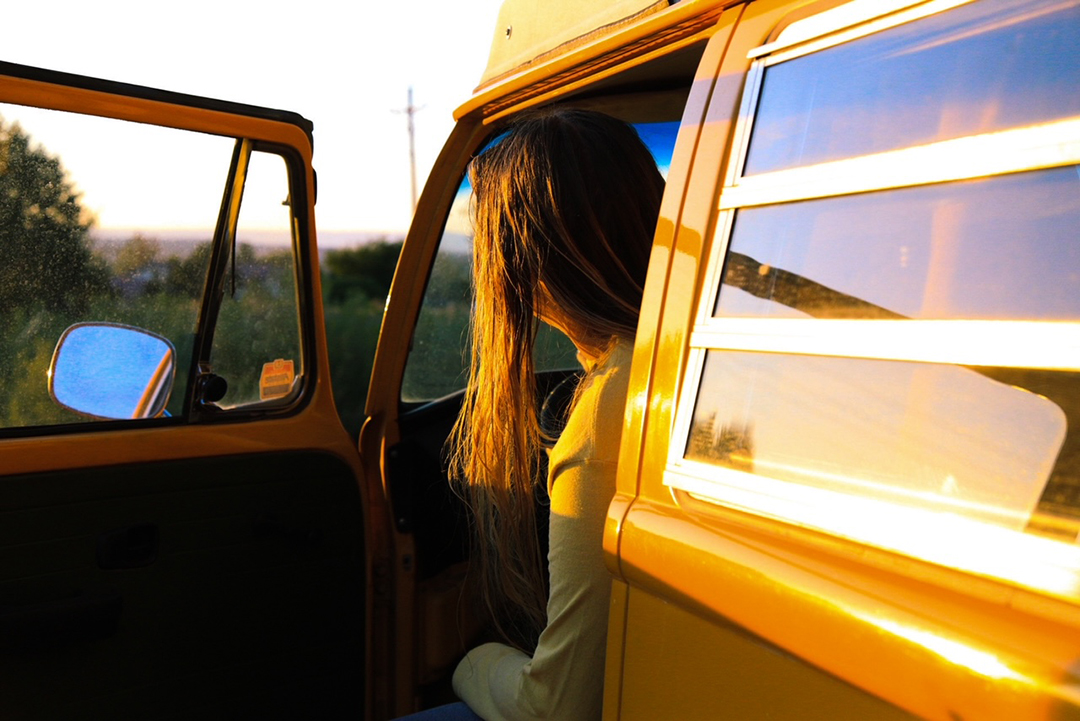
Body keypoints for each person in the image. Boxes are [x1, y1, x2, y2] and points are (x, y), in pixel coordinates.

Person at [399, 107, 664, 721]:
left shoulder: (610, 410)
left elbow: (558, 709)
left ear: (522, 262)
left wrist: (471, 661)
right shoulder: (690, 360)